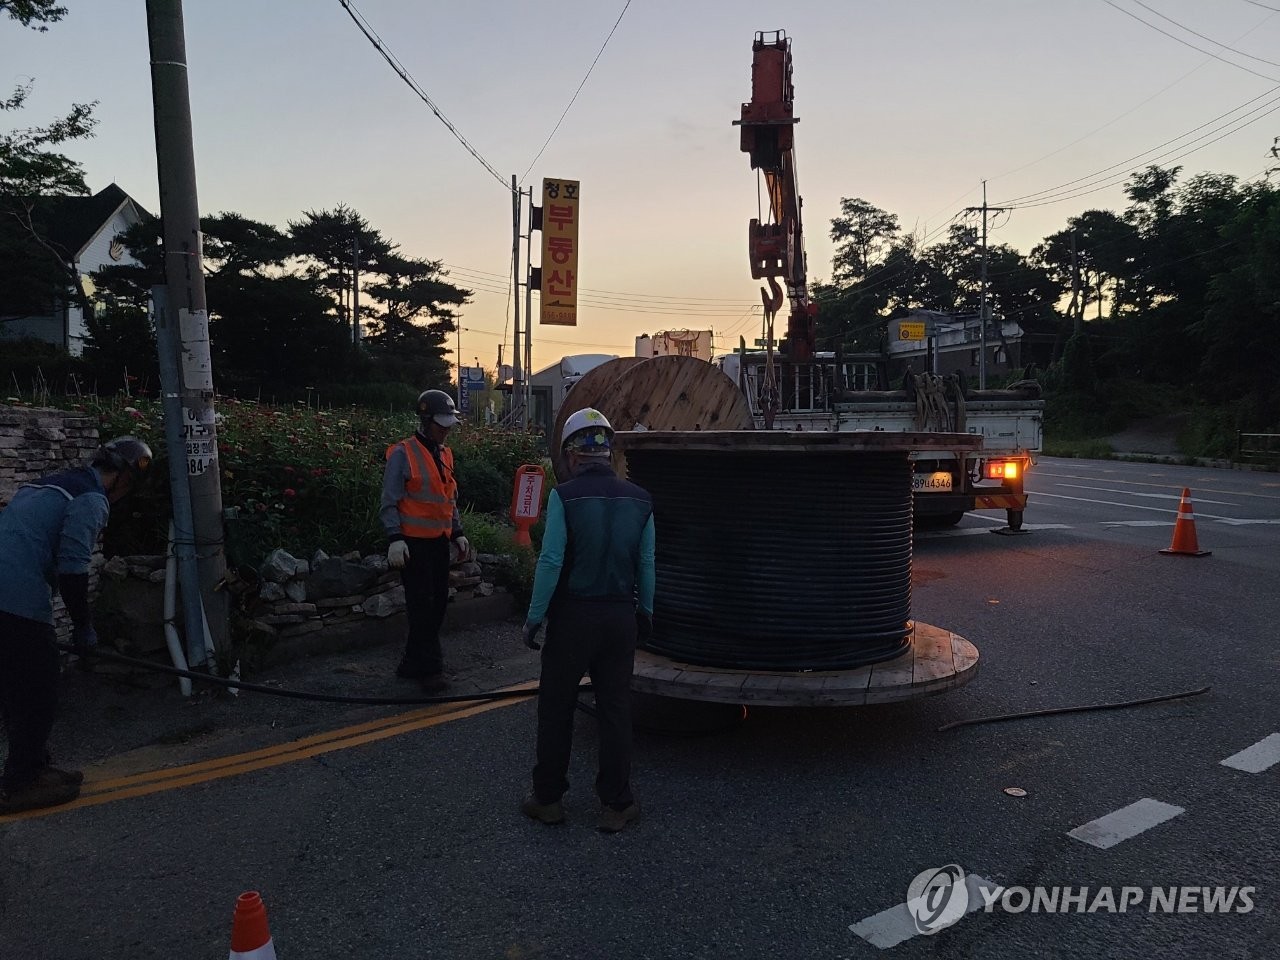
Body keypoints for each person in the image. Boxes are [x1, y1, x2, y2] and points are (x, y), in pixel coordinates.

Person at [0, 436, 152, 814]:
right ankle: (19, 783)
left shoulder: (51, 483)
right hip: (15, 593)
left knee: (18, 686)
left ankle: (34, 766)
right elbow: (72, 569)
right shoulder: (91, 499)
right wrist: (84, 627)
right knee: (40, 687)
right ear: (122, 478)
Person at [520, 408, 655, 833]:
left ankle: (548, 800)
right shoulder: (641, 499)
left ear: (572, 454)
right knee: (615, 708)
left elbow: (551, 559)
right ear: (608, 451)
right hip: (619, 616)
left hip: (574, 617)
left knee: (556, 706)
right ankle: (616, 804)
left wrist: (534, 617)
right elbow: (647, 563)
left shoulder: (565, 496)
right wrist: (645, 612)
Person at [381, 389, 471, 693]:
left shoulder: (445, 454)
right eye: (441, 423)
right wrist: (395, 537)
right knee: (422, 607)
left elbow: (449, 497)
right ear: (425, 420)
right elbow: (389, 500)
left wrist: (457, 532)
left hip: (438, 542)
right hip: (413, 545)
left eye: (449, 424)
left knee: (436, 607)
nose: (446, 429)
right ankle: (431, 670)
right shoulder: (403, 454)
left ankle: (411, 662)